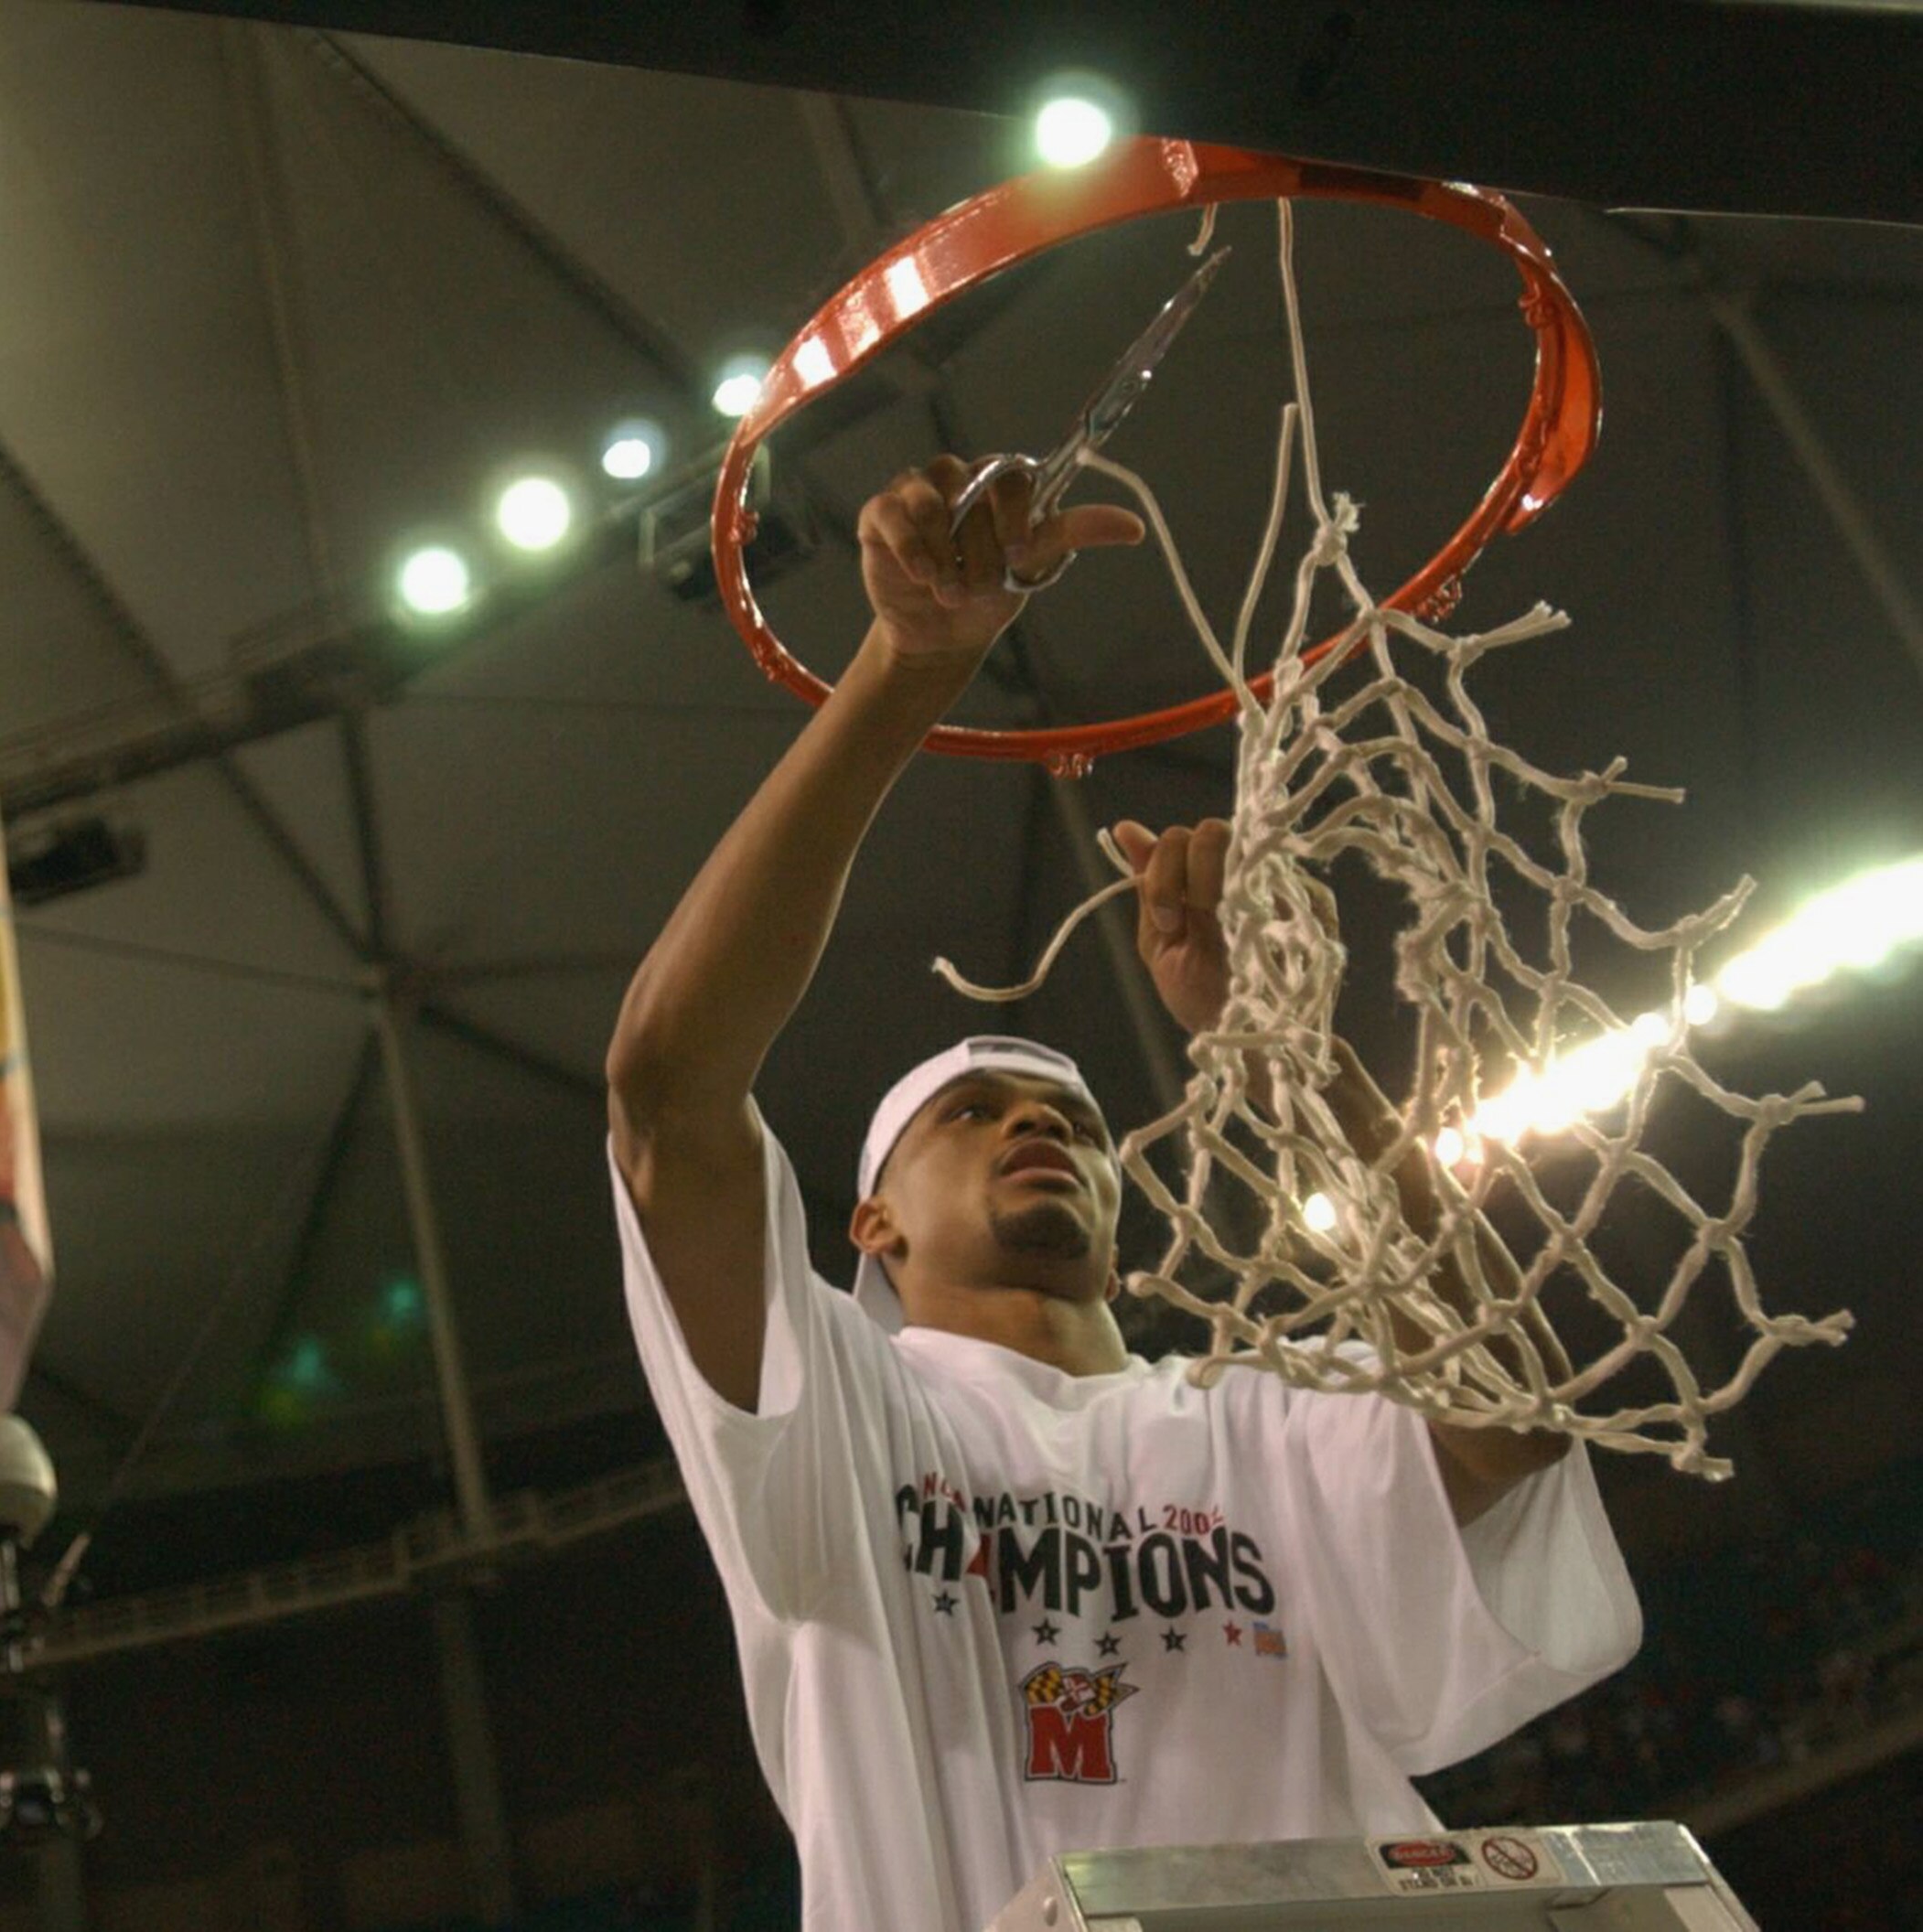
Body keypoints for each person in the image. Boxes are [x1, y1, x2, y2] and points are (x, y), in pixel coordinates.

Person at [604, 458, 1642, 1929]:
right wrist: (911, 669)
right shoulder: (841, 1410)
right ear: (871, 1225)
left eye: (1072, 1117)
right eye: (970, 1114)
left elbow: (1512, 1416)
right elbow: (665, 1093)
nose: (1035, 1123)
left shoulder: (1256, 1419)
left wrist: (1288, 1051)